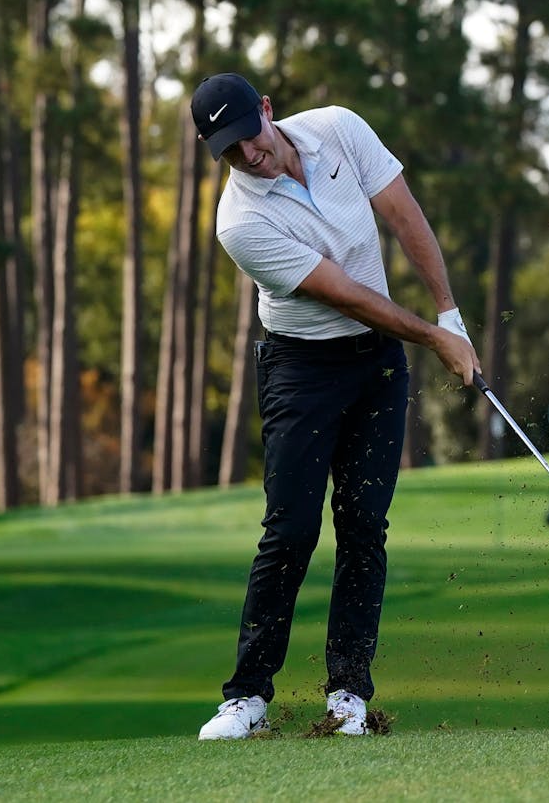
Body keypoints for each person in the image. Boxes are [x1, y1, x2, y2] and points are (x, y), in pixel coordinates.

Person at [191, 73, 479, 740]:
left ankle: (349, 692)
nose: (248, 157)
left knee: (362, 525)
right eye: (230, 152)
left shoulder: (338, 129)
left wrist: (450, 314)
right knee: (291, 530)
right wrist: (434, 338)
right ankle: (246, 697)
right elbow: (345, 294)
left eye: (250, 138)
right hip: (302, 368)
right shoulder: (241, 221)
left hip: (377, 367)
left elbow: (404, 214)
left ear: (267, 110)